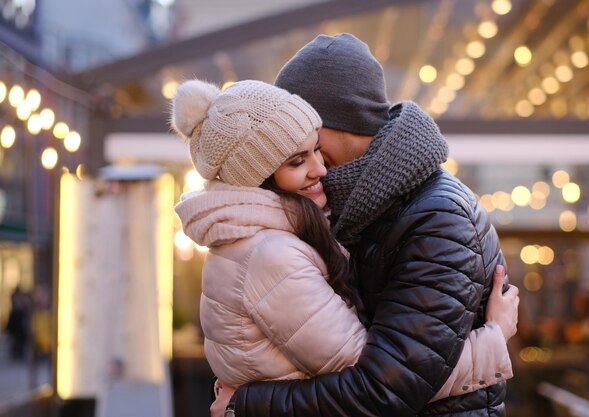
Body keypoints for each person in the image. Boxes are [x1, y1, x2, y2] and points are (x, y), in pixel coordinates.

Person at [171, 79, 518, 417]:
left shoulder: (267, 238)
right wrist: (493, 339)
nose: (319, 169)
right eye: (297, 161)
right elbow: (380, 388)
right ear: (257, 177)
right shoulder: (272, 256)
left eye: (316, 151)